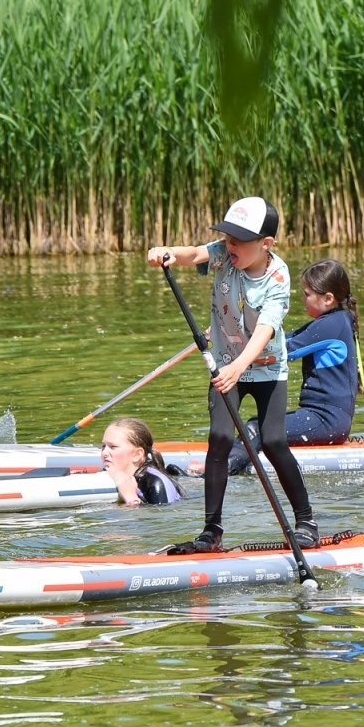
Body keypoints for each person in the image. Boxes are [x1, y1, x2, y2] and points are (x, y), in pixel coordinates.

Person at [145, 196, 317, 553]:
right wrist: (167, 253)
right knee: (220, 438)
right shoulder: (224, 254)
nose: (229, 245)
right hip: (224, 363)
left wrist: (239, 368)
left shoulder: (278, 277)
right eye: (226, 237)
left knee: (272, 442)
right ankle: (212, 532)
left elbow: (265, 331)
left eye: (239, 240)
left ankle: (306, 522)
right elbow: (193, 254)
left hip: (267, 368)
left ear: (266, 244)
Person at [227, 258, 360, 474]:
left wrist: (235, 344)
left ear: (328, 299)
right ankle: (229, 465)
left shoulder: (331, 325)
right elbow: (284, 338)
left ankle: (213, 476)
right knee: (258, 423)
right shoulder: (334, 320)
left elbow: (283, 350)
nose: (302, 299)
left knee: (256, 428)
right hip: (327, 420)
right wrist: (234, 337)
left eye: (307, 294)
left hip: (327, 422)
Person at [101, 418, 184, 506]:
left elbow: (162, 517)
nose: (104, 453)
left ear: (137, 454)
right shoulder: (104, 473)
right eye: (103, 446)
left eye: (113, 447)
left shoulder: (156, 483)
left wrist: (130, 497)